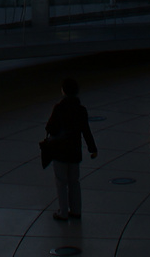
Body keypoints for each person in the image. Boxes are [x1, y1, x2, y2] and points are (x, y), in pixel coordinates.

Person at [45, 77, 97, 221]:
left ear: (63, 91)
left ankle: (63, 212)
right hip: (75, 151)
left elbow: (50, 127)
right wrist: (92, 148)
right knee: (74, 181)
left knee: (61, 182)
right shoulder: (81, 110)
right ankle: (76, 210)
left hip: (60, 150)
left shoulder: (59, 108)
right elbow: (86, 130)